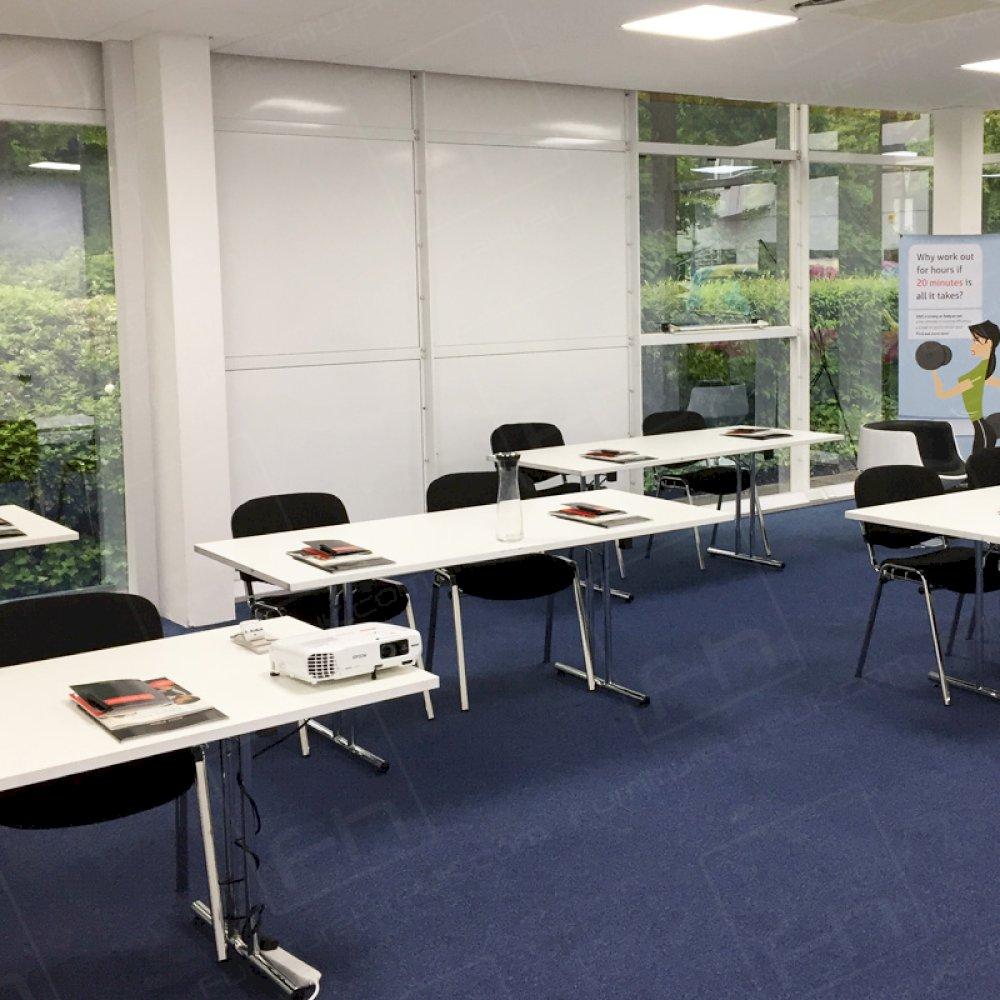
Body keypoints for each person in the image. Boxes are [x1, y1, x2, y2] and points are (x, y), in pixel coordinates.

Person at [930, 320, 1000, 453]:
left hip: (982, 430)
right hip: (981, 428)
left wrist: (933, 370)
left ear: (989, 343)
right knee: (979, 468)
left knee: (979, 468)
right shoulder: (982, 371)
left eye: (976, 340)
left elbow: (943, 394)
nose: (972, 344)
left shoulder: (977, 374)